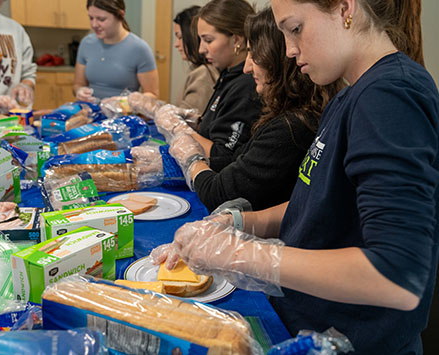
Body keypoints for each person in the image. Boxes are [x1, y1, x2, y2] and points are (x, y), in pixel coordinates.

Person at [153, 0, 439, 353]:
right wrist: (240, 223)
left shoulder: (390, 97)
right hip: (300, 320)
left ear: (345, 8)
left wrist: (245, 256)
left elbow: (396, 275)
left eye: (296, 29)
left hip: (348, 339)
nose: (289, 50)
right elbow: (315, 200)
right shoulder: (348, 95)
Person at [169, 8, 342, 212]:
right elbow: (235, 160)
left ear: (277, 59)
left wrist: (192, 160)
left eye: (254, 53)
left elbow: (218, 192)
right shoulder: (283, 116)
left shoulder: (291, 127)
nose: (247, 67)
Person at [155, 0, 262, 172]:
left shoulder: (246, 85)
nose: (201, 50)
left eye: (208, 40)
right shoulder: (228, 76)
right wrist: (191, 121)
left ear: (236, 40)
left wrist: (179, 127)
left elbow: (223, 155)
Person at [73, 0, 159, 102]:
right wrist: (79, 91)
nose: (94, 24)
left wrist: (125, 102)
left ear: (121, 15)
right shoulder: (86, 43)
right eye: (91, 18)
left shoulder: (139, 49)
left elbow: (153, 95)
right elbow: (78, 84)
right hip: (89, 113)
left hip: (122, 115)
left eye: (101, 19)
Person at [173, 6, 219, 113]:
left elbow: (183, 120)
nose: (176, 44)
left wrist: (154, 108)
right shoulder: (199, 70)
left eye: (180, 37)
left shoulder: (203, 75)